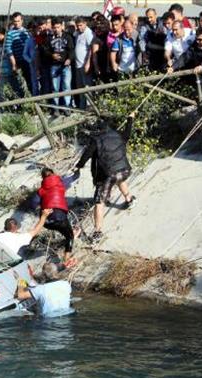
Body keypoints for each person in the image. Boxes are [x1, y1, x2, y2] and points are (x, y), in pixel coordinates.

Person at [73, 112, 137, 244]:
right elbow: (128, 133)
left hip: (108, 174)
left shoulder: (96, 140)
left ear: (97, 130)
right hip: (125, 169)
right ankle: (129, 199)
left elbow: (86, 155)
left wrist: (78, 166)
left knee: (99, 202)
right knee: (120, 179)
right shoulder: (118, 134)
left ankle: (97, 232)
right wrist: (130, 119)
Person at [37, 168, 78, 268]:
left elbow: (34, 203)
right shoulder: (61, 182)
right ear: (53, 174)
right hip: (59, 218)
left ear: (42, 178)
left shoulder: (41, 190)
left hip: (46, 221)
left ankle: (69, 235)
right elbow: (73, 177)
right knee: (70, 236)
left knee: (64, 230)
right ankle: (66, 260)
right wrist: (77, 171)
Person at [42, 17, 74, 110]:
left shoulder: (68, 36)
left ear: (62, 26)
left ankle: (67, 107)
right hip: (54, 66)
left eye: (58, 27)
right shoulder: (49, 38)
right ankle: (55, 108)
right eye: (55, 27)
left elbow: (72, 50)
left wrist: (69, 59)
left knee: (66, 87)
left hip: (66, 66)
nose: (56, 29)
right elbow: (45, 50)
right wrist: (52, 55)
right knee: (55, 88)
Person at [6, 12, 32, 97]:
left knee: (29, 82)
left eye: (18, 21)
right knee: (20, 84)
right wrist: (14, 64)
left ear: (22, 21)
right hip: (18, 62)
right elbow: (9, 50)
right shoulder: (10, 34)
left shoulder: (27, 32)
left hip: (28, 61)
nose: (16, 23)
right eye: (15, 21)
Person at [73, 17, 93, 109]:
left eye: (81, 25)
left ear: (85, 24)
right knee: (80, 87)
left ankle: (89, 107)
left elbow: (91, 49)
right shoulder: (77, 33)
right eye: (77, 26)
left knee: (87, 87)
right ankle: (82, 107)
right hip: (78, 65)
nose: (79, 27)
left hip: (84, 65)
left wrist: (88, 63)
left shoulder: (88, 33)